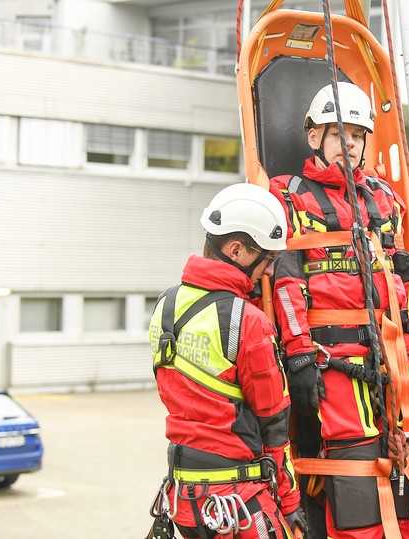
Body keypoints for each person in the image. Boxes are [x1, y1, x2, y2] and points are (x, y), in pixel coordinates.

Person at [268, 82, 409, 539]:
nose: (350, 145)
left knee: (408, 463)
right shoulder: (288, 196)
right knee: (355, 469)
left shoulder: (383, 201)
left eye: (358, 136)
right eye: (339, 134)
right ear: (315, 137)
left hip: (393, 362)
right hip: (333, 363)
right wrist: (299, 353)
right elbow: (286, 280)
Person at [148, 183, 306, 539]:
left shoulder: (165, 307)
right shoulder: (247, 321)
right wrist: (292, 502)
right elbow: (274, 425)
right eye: (267, 259)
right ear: (236, 249)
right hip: (240, 502)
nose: (268, 272)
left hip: (184, 503)